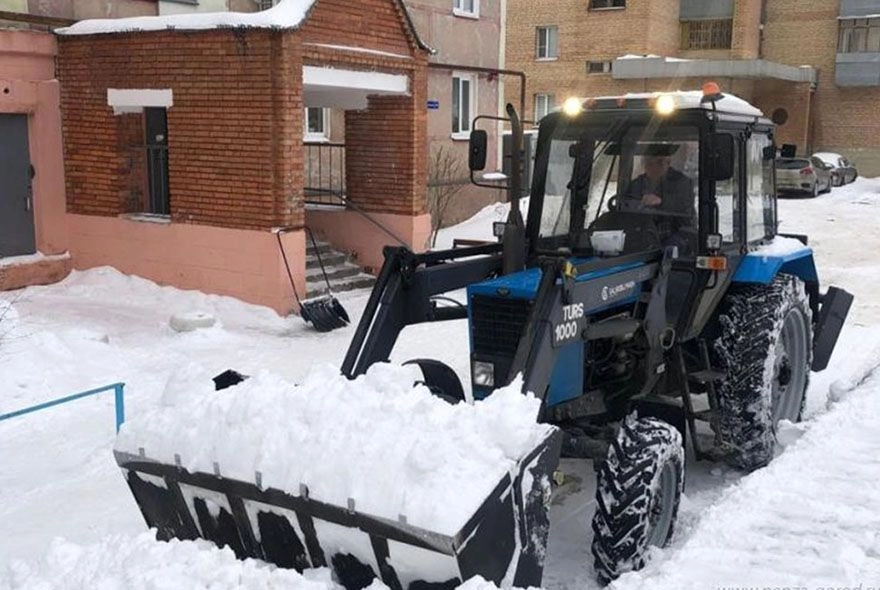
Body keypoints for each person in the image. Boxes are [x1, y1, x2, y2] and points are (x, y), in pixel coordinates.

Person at [623, 152, 696, 253]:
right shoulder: (637, 184)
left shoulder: (682, 182)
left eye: (659, 162)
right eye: (649, 163)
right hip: (644, 232)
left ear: (668, 163)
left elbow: (684, 204)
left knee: (669, 250)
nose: (654, 167)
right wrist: (637, 204)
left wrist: (661, 201)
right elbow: (627, 204)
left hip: (676, 231)